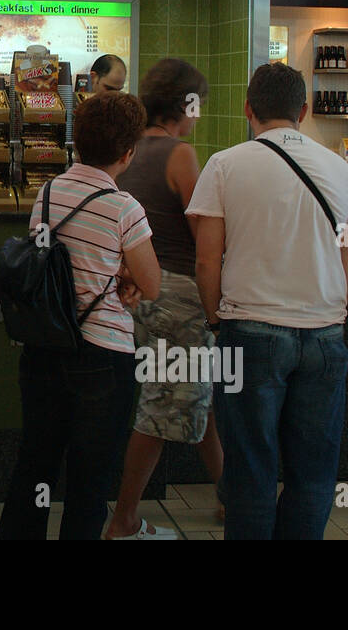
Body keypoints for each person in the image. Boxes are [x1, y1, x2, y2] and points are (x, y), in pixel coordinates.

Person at [187, 63, 348, 540]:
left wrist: (214, 323)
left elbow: (207, 261)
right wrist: (330, 314)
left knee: (250, 468)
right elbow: (347, 259)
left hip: (250, 333)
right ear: (304, 111)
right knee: (314, 472)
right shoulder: (338, 168)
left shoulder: (225, 165)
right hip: (325, 335)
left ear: (248, 109)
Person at [0, 90, 160, 540]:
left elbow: (53, 258)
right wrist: (124, 271)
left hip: (45, 348)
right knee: (88, 483)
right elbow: (152, 283)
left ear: (77, 141)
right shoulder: (124, 208)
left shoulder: (48, 192)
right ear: (128, 153)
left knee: (35, 467)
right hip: (103, 359)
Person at [105, 58, 222, 540]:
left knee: (196, 396)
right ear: (186, 105)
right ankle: (124, 519)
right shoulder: (181, 155)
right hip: (177, 298)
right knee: (162, 409)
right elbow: (205, 237)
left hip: (137, 295)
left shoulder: (129, 151)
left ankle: (230, 495)